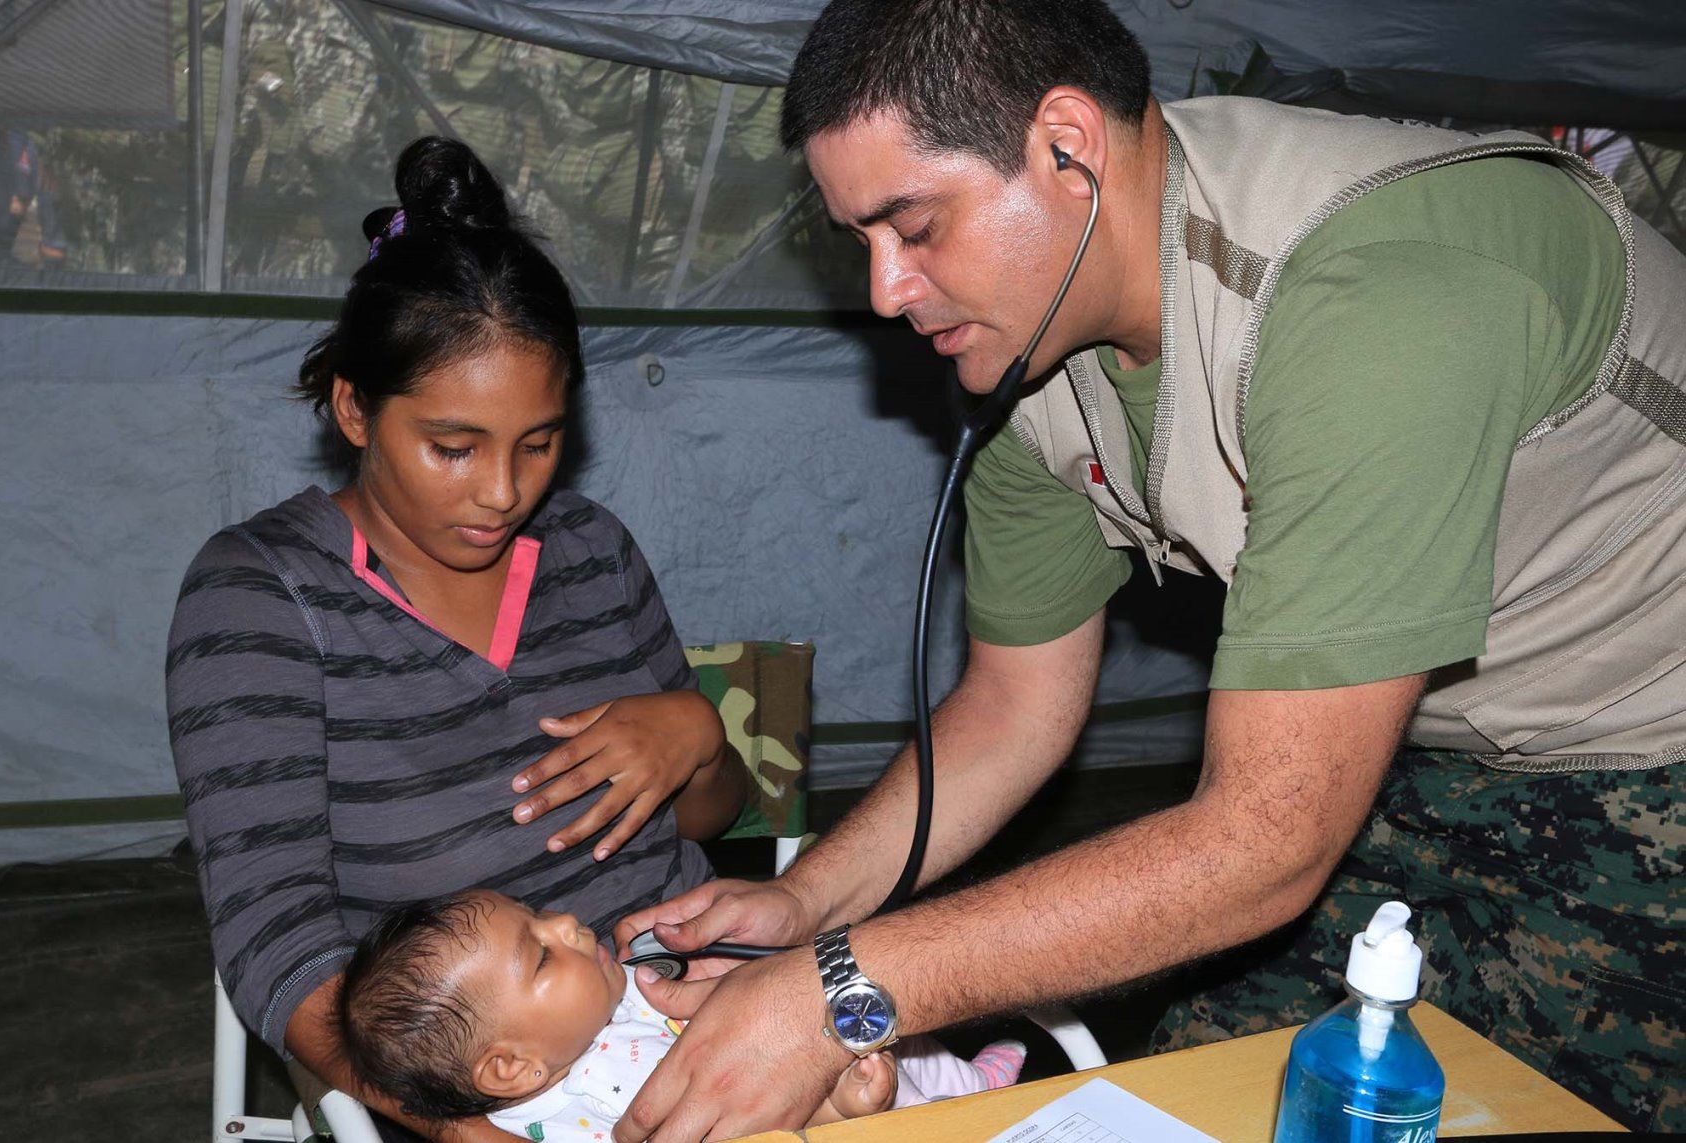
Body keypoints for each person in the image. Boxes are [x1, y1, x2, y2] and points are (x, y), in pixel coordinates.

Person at [608, 2, 1686, 1138]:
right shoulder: (1030, 352)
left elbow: (1265, 841)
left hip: (1654, 773)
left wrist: (841, 992)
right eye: (857, 240)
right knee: (1193, 1102)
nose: (884, 291)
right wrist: (806, 903)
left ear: (1067, 145)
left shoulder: (1375, 301)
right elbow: (1015, 705)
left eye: (913, 226)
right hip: (1409, 755)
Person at [166, 136, 749, 1143]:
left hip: (699, 1005)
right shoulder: (261, 598)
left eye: (540, 441)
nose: (503, 492)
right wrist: (454, 1126)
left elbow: (710, 817)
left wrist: (696, 732)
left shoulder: (592, 551)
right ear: (354, 406)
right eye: (452, 446)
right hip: (477, 1082)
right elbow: (277, 941)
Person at [336, 889, 1026, 1141]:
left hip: (808, 1049)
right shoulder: (578, 1121)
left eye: (540, 914)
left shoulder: (633, 982)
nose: (568, 922)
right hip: (807, 1112)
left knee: (887, 1015)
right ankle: (949, 1103)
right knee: (871, 1079)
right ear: (513, 1066)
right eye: (542, 955)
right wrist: (833, 1108)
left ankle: (970, 1083)